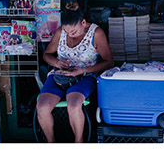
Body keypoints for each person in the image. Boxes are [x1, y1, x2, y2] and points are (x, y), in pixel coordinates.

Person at [37, 11, 114, 143]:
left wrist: (83, 70)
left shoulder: (96, 33)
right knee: (42, 107)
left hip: (85, 76)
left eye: (73, 31)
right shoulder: (61, 31)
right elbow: (47, 54)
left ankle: (79, 142)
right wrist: (56, 62)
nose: (69, 34)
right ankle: (51, 143)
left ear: (83, 23)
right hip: (59, 75)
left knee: (73, 105)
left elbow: (109, 62)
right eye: (66, 31)